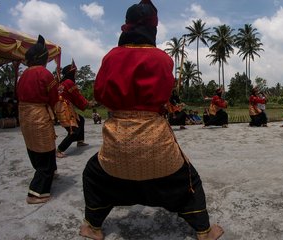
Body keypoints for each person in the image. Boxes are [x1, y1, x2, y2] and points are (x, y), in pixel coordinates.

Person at [79, 1, 223, 239]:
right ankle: (203, 231)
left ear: (126, 27)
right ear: (152, 29)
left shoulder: (111, 57)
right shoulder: (162, 59)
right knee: (190, 179)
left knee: (93, 174)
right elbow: (165, 96)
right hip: (157, 143)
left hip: (117, 145)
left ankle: (93, 227)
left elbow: (100, 94)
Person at [16, 35, 59, 204]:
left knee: (33, 147)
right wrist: (61, 117)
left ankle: (51, 172)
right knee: (46, 149)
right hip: (39, 115)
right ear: (43, 58)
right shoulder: (45, 74)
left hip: (24, 115)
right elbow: (54, 98)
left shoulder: (24, 75)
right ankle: (36, 192)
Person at [55, 62, 89, 158]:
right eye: (75, 73)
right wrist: (87, 104)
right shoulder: (69, 83)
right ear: (71, 73)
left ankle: (80, 141)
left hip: (62, 106)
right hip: (65, 108)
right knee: (74, 130)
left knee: (81, 120)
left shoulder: (62, 83)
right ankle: (60, 149)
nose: (76, 74)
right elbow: (77, 96)